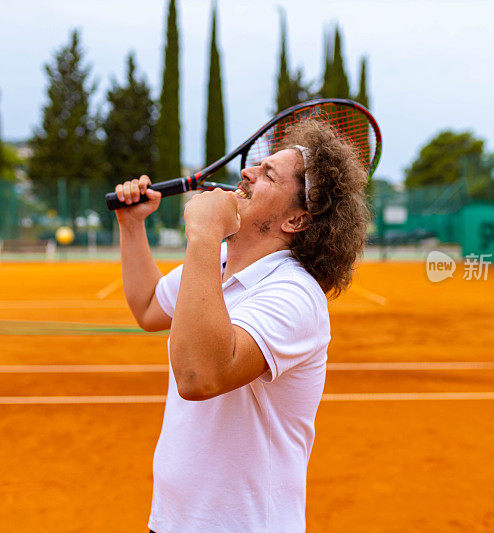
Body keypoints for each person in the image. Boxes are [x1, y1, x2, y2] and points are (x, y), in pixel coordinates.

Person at [113, 120, 369, 532]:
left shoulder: (295, 295)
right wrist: (132, 225)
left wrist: (204, 233)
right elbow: (147, 308)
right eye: (257, 165)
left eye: (268, 174)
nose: (247, 173)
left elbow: (199, 376)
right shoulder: (216, 267)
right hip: (172, 521)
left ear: (297, 221)